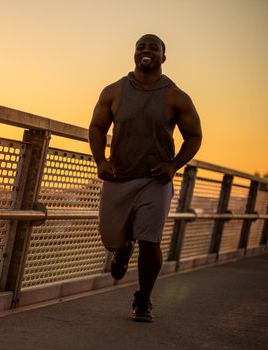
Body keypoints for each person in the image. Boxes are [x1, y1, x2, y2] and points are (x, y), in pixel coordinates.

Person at [88, 34, 202, 322]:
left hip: (155, 180)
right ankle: (123, 248)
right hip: (118, 177)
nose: (146, 51)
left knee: (150, 240)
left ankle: (143, 298)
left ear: (164, 57)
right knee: (111, 238)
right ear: (134, 54)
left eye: (154, 48)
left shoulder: (176, 96)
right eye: (141, 47)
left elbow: (194, 136)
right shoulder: (114, 91)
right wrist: (101, 160)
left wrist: (173, 165)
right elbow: (97, 127)